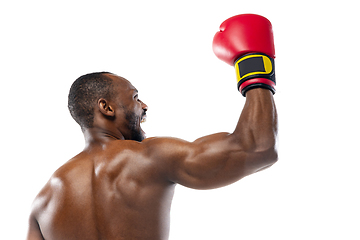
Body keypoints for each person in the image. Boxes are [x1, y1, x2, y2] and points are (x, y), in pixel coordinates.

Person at [27, 14, 278, 240]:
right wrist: (253, 64)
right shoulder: (149, 156)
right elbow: (258, 147)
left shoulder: (43, 202)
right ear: (107, 108)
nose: (144, 106)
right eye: (135, 98)